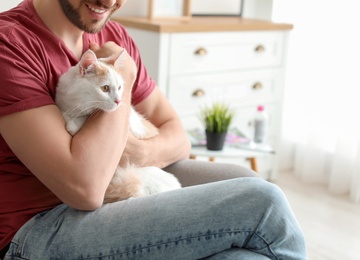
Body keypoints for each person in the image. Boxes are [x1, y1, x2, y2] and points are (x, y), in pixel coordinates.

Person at [0, 0, 307, 259]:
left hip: (123, 187)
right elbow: (86, 190)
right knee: (262, 202)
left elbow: (177, 136)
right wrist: (125, 74)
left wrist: (136, 150)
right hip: (35, 230)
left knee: (246, 194)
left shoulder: (113, 33)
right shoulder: (10, 44)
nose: (109, 1)